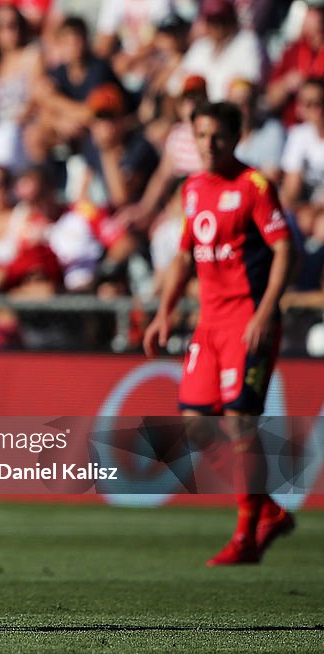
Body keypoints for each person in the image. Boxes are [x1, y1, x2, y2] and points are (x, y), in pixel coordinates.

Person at [143, 101, 297, 566]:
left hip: (246, 322)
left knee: (240, 424)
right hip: (208, 324)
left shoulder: (253, 186)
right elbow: (185, 257)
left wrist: (266, 312)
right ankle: (266, 508)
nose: (210, 145)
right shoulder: (192, 189)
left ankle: (246, 535)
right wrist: (165, 311)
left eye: (219, 137)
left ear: (236, 136)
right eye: (202, 136)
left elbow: (284, 250)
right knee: (196, 423)